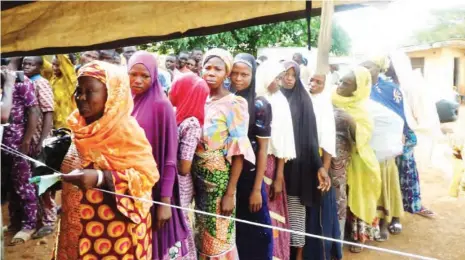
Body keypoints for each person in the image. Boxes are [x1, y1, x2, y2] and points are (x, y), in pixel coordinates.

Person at [55, 60, 159, 259]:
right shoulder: (80, 127)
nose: (81, 97)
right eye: (78, 90)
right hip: (77, 228)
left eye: (90, 91)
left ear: (111, 95)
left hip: (115, 235)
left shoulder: (126, 133)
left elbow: (146, 177)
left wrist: (101, 178)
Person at [193, 48, 255, 259]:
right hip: (196, 180)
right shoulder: (198, 99)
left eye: (217, 69)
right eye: (207, 67)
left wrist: (230, 194)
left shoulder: (234, 104)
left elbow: (238, 153)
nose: (211, 72)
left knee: (218, 240)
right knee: (200, 236)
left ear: (226, 73)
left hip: (219, 184)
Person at [128, 51, 189, 259]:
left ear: (154, 77)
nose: (137, 80)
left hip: (154, 189)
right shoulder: (125, 104)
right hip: (130, 188)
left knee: (156, 245)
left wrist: (164, 202)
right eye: (133, 74)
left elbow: (170, 159)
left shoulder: (161, 106)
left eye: (144, 76)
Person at [281, 61, 331, 260]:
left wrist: (320, 166)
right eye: (285, 73)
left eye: (293, 75)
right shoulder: (272, 98)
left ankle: (298, 254)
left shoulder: (303, 100)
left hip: (297, 166)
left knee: (295, 212)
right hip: (275, 163)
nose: (288, 78)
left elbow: (311, 137)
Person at [332, 66, 381, 253]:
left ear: (357, 88)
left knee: (356, 195)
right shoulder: (330, 98)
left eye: (346, 83)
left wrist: (350, 121)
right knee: (337, 198)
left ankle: (358, 236)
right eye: (340, 81)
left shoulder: (362, 109)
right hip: (334, 160)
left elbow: (363, 137)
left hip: (356, 159)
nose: (340, 85)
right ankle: (336, 233)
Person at [230, 53, 273, 259]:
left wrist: (257, 189)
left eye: (244, 74)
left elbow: (262, 149)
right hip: (228, 176)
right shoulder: (226, 100)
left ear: (253, 75)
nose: (238, 79)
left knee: (256, 232)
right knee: (233, 231)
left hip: (250, 177)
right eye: (235, 73)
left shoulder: (258, 105)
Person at [386, 54, 436, 219]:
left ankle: (412, 205)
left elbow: (414, 112)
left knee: (406, 171)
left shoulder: (410, 87)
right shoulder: (384, 85)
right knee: (392, 174)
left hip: (404, 135)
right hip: (389, 136)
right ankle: (394, 212)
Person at [255, 60, 296, 260]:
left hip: (271, 165)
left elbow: (284, 143)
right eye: (276, 78)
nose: (278, 83)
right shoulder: (253, 97)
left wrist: (279, 175)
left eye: (280, 79)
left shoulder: (280, 102)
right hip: (251, 163)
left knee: (271, 211)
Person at [169, 72, 210, 260]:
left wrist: (166, 160)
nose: (170, 90)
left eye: (175, 87)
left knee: (177, 225)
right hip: (174, 182)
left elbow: (184, 166)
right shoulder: (178, 115)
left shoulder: (191, 123)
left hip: (180, 184)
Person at [1, 72, 40, 245]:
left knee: (24, 184)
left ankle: (29, 225)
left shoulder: (19, 82)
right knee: (9, 187)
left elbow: (34, 110)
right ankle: (14, 223)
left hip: (17, 144)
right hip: (3, 147)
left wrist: (27, 140)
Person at [22, 56, 58, 239]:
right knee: (31, 181)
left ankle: (49, 221)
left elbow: (48, 113)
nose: (26, 66)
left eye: (31, 64)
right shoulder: (25, 82)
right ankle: (36, 218)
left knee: (43, 180)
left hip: (41, 139)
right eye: (24, 63)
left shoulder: (41, 83)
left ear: (39, 66)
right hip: (30, 138)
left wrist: (43, 141)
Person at [49, 54, 77, 129]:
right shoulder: (53, 78)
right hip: (54, 123)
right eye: (53, 64)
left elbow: (65, 61)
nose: (54, 68)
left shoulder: (70, 81)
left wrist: (59, 48)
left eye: (58, 65)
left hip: (66, 126)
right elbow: (42, 64)